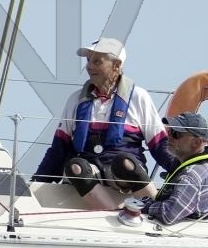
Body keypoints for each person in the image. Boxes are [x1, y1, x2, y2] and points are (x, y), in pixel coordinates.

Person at [31, 37, 173, 195]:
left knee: (124, 164)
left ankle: (152, 201)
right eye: (88, 60)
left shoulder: (138, 97)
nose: (89, 66)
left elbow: (160, 144)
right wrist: (36, 183)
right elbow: (59, 149)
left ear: (116, 65)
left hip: (124, 174)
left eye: (97, 62)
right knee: (76, 167)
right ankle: (108, 206)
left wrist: (180, 174)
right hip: (89, 173)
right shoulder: (75, 100)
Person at [122, 111, 208, 226]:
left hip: (183, 230)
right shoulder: (203, 166)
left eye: (176, 134)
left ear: (196, 142)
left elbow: (169, 214)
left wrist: (145, 205)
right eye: (169, 131)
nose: (169, 137)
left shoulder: (191, 176)